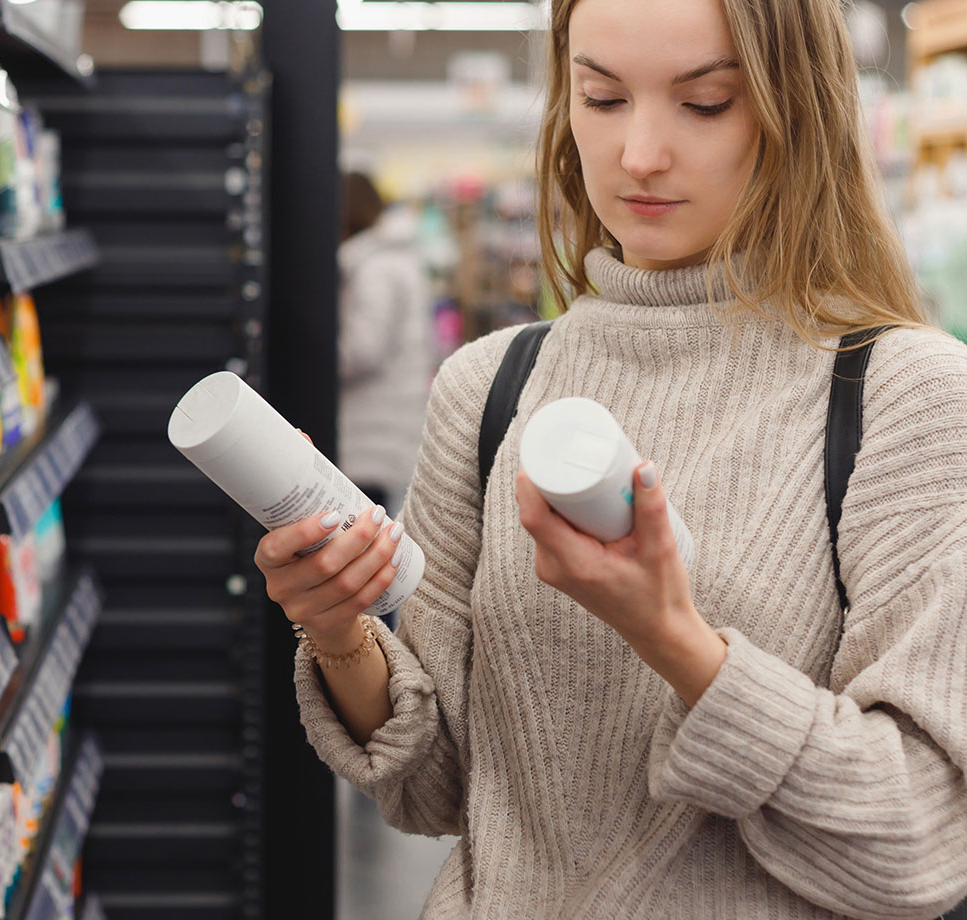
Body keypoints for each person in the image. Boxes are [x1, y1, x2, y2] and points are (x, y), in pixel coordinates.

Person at [256, 0, 967, 916]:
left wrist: (675, 640)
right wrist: (341, 628)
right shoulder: (489, 387)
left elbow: (915, 844)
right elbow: (433, 789)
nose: (638, 155)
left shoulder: (907, 394)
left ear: (800, 112)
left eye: (705, 103)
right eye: (601, 96)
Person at [338, 171, 435, 518]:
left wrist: (312, 358)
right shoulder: (394, 259)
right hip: (386, 429)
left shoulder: (374, 268)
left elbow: (363, 349)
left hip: (370, 436)